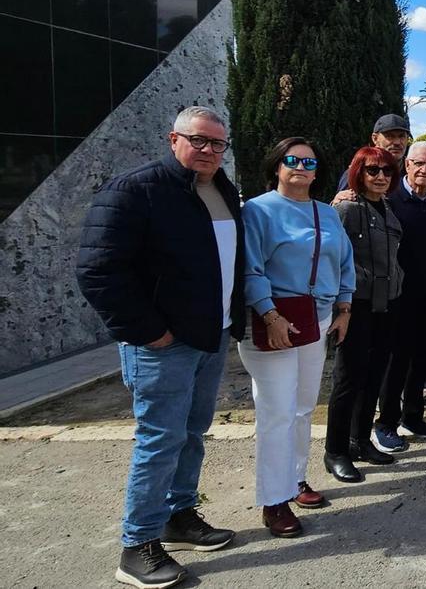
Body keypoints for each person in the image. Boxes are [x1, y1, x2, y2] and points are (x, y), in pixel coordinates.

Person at [76, 106, 242, 589]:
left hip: (210, 337)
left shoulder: (221, 190)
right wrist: (148, 330)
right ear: (174, 139)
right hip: (162, 345)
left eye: (218, 144)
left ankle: (179, 516)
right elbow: (98, 270)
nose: (210, 150)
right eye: (200, 141)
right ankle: (137, 545)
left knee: (192, 432)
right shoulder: (135, 190)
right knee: (159, 440)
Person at [239, 137, 354, 538]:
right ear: (276, 165)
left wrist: (343, 309)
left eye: (309, 162)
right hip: (274, 321)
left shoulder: (327, 213)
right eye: (292, 160)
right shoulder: (257, 210)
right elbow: (250, 268)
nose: (301, 167)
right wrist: (269, 314)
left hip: (316, 319)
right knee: (276, 411)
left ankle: (296, 479)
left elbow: (344, 263)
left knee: (304, 406)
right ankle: (274, 501)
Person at [324, 147, 405, 484]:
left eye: (386, 171)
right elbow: (332, 256)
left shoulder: (385, 206)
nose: (381, 177)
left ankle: (359, 441)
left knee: (374, 375)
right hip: (355, 305)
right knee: (348, 379)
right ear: (359, 172)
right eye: (373, 171)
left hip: (386, 304)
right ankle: (336, 451)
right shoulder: (346, 208)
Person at [372, 141, 426, 448]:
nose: (424, 170)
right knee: (397, 358)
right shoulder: (388, 200)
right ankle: (387, 423)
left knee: (422, 356)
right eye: (418, 163)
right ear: (406, 165)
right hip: (398, 296)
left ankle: (413, 417)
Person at [336, 113, 412, 190]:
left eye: (402, 136)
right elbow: (342, 200)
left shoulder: (413, 171)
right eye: (390, 136)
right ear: (375, 138)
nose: (397, 142)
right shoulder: (359, 170)